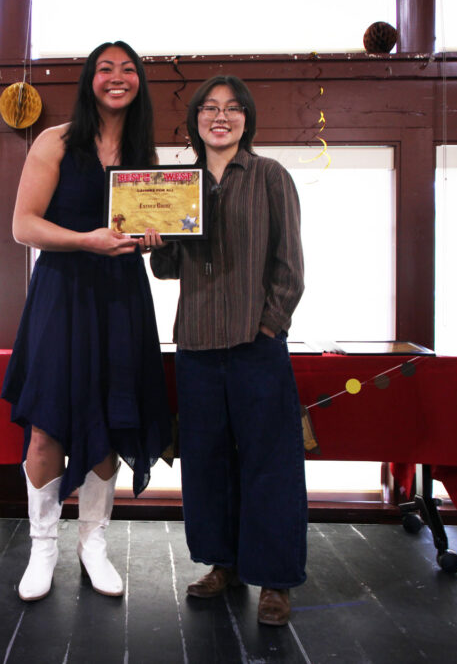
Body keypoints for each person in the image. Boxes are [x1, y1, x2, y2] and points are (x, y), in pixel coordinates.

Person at [1, 41, 171, 602]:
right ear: (89, 79)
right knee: (48, 424)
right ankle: (43, 547)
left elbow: (147, 234)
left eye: (128, 70)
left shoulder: (145, 153)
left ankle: (92, 545)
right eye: (106, 68)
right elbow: (23, 226)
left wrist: (150, 240)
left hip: (121, 297)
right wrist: (86, 242)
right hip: (62, 293)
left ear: (139, 83)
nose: (117, 77)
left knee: (110, 414)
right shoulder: (55, 140)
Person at [145, 75, 307, 626]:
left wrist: (270, 325)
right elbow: (168, 270)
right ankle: (224, 564)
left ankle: (277, 580)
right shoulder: (175, 184)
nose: (221, 116)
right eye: (210, 108)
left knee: (271, 463)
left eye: (233, 109)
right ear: (194, 120)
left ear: (246, 120)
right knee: (207, 465)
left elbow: (289, 265)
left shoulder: (269, 177)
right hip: (194, 343)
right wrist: (155, 242)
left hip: (255, 345)